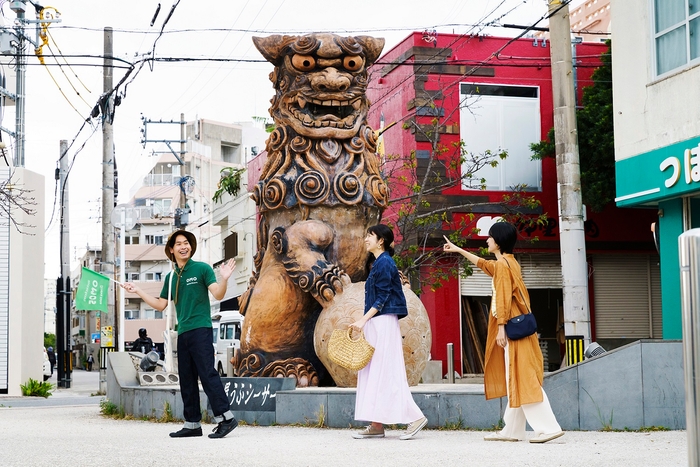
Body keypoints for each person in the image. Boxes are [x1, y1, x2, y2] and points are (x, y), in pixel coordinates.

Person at [443, 221, 564, 443]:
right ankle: (512, 430)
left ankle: (548, 428)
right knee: (515, 376)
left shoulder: (502, 266)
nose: (487, 240)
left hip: (512, 329)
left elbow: (503, 298)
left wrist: (501, 328)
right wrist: (459, 250)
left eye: (490, 237)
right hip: (520, 327)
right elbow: (482, 264)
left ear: (498, 241)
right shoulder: (509, 262)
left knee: (523, 377)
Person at [122, 229, 238, 439]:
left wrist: (224, 279)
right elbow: (160, 305)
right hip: (182, 332)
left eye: (187, 243)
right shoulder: (171, 277)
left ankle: (226, 418)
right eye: (179, 244)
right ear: (171, 250)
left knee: (207, 373)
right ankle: (192, 424)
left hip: (201, 329)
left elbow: (218, 294)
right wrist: (137, 290)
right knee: (186, 379)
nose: (184, 247)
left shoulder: (202, 269)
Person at [350, 224, 428, 440]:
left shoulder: (385, 262)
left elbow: (382, 297)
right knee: (376, 372)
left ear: (381, 240)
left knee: (387, 371)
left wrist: (362, 320)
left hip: (383, 322)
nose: (366, 239)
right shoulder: (378, 263)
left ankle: (415, 417)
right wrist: (366, 321)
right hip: (377, 322)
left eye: (370, 236)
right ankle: (377, 424)